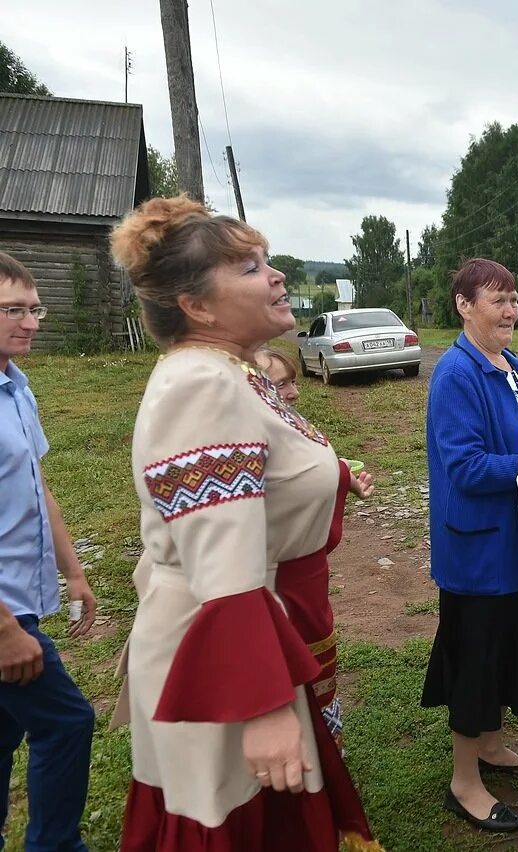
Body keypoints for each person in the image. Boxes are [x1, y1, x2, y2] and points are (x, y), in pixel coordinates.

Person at [110, 196, 379, 851]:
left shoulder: (234, 375)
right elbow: (221, 559)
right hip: (224, 657)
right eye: (251, 266)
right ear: (197, 306)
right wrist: (257, 704)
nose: (278, 274)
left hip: (248, 635)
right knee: (230, 826)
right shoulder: (201, 383)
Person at [422, 257, 518, 834]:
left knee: (506, 647)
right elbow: (465, 468)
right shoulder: (456, 374)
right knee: (476, 660)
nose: (510, 310)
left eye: (513, 299)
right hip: (479, 549)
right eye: (497, 299)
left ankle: (491, 746)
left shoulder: (512, 364)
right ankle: (464, 783)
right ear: (464, 306)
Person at [0, 251, 97, 852]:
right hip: (5, 617)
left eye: (34, 308)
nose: (32, 322)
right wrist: (6, 629)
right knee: (67, 723)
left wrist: (75, 573)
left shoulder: (15, 387)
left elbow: (38, 486)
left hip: (22, 608)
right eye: (13, 309)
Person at [253, 347, 374, 749]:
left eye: (293, 382)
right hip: (278, 586)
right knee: (288, 679)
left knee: (318, 674)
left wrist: (344, 480)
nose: (293, 393)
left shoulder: (285, 424)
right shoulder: (246, 436)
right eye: (280, 384)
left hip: (308, 584)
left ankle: (324, 756)